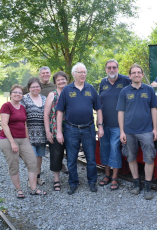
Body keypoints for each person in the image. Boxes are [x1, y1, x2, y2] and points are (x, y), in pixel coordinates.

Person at [56, 62, 104, 195]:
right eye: (80, 72)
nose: (83, 74)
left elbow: (99, 109)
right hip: (71, 130)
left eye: (84, 72)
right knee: (71, 159)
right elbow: (59, 111)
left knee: (91, 158)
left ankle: (92, 182)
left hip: (89, 129)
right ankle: (73, 183)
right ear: (73, 74)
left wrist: (100, 127)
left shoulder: (91, 89)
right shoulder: (67, 90)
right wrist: (59, 132)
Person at [117, 64, 157, 200]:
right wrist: (122, 131)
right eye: (133, 73)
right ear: (129, 76)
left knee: (149, 157)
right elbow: (121, 112)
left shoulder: (149, 90)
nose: (136, 74)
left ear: (142, 74)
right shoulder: (124, 92)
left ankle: (147, 186)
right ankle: (136, 183)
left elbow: (154, 110)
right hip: (129, 131)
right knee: (131, 157)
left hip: (146, 130)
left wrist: (154, 128)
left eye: (138, 72)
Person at [0, 84, 46, 198]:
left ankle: (34, 189)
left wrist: (27, 141)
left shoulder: (22, 107)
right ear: (10, 94)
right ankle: (18, 190)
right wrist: (12, 142)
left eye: (20, 93)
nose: (17, 94)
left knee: (32, 162)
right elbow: (4, 124)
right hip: (8, 139)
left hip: (23, 139)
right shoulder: (6, 106)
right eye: (15, 92)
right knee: (14, 165)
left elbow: (24, 125)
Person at [98, 59, 131, 190]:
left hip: (119, 125)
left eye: (114, 67)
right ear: (106, 69)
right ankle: (107, 175)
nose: (112, 70)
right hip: (104, 124)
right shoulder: (102, 82)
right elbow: (99, 103)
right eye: (109, 68)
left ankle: (115, 177)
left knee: (114, 148)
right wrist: (99, 123)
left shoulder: (125, 81)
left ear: (118, 68)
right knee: (104, 148)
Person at [20, 78, 47, 187]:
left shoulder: (44, 98)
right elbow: (22, 117)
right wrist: (25, 135)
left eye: (37, 86)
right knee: (32, 158)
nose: (35, 89)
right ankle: (30, 180)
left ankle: (38, 178)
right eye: (33, 87)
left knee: (39, 157)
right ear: (29, 88)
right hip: (29, 133)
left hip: (42, 134)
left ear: (40, 87)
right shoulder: (24, 99)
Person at [44, 71, 68, 191]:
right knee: (56, 154)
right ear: (55, 82)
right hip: (54, 130)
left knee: (71, 155)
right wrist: (48, 132)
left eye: (63, 79)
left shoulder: (70, 93)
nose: (61, 81)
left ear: (66, 80)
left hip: (69, 129)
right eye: (58, 80)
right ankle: (56, 179)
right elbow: (46, 114)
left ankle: (73, 178)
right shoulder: (52, 95)